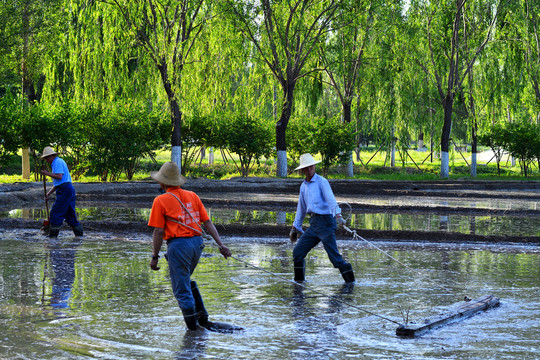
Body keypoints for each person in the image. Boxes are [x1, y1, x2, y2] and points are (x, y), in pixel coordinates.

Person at [148, 161, 232, 331]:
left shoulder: (160, 200)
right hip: (197, 244)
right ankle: (203, 319)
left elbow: (158, 232)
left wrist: (154, 257)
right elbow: (207, 223)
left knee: (181, 290)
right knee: (184, 280)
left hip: (179, 246)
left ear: (163, 182)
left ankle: (194, 332)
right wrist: (221, 245)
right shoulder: (192, 195)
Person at [289, 153, 355, 283]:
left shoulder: (322, 182)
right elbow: (301, 209)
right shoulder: (303, 187)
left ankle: (351, 283)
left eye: (310, 166)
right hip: (314, 225)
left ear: (314, 166)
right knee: (297, 253)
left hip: (326, 223)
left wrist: (339, 216)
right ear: (302, 170)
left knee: (335, 259)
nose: (309, 169)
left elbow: (331, 201)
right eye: (306, 168)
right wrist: (294, 228)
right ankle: (299, 284)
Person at [40, 146, 83, 238]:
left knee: (56, 212)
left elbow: (59, 176)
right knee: (70, 214)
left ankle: (53, 236)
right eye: (45, 158)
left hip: (65, 190)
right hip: (66, 189)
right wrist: (48, 194)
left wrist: (46, 173)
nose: (47, 160)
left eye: (47, 158)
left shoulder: (57, 162)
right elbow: (58, 184)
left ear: (52, 156)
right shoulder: (56, 163)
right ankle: (79, 236)